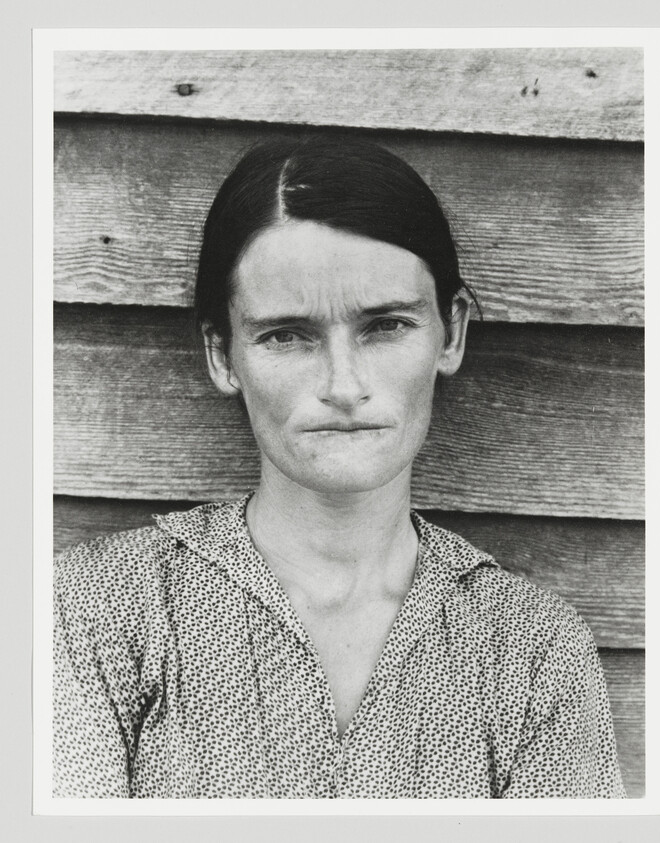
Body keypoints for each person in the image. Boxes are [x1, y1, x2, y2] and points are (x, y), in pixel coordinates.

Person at [53, 136, 626, 799]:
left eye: (384, 326)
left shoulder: (531, 648)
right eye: (285, 335)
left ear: (452, 330)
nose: (344, 385)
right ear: (221, 355)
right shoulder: (94, 609)